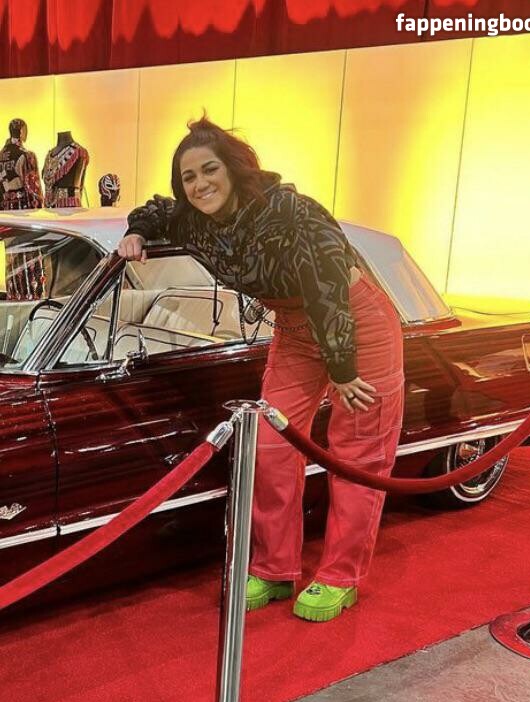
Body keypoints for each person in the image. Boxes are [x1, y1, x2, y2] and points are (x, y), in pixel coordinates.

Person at [118, 116, 404, 622]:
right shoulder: (192, 220)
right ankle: (274, 567)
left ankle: (341, 575)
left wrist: (341, 367)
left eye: (210, 170)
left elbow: (327, 285)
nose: (200, 184)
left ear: (234, 168)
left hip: (354, 326)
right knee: (269, 446)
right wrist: (137, 230)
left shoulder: (289, 210)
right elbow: (157, 210)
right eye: (189, 177)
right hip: (294, 328)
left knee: (358, 453)